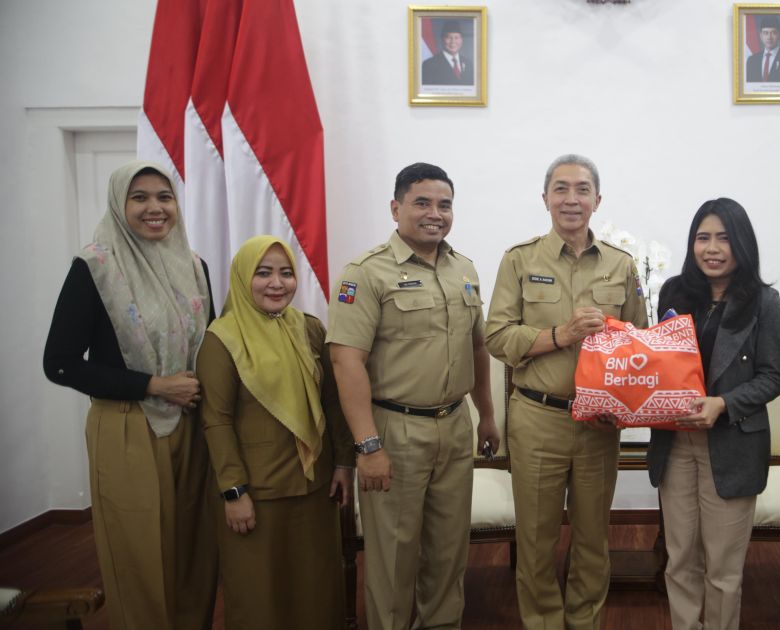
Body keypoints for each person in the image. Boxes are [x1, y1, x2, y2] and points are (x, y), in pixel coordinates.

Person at [43, 160, 218, 630]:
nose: (154, 207)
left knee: (193, 546)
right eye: (139, 197)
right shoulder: (95, 267)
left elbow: (214, 347)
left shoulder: (195, 267)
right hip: (127, 426)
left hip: (191, 425)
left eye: (165, 197)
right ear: (119, 204)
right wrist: (152, 385)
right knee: (139, 552)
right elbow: (58, 363)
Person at [327, 162, 498, 630]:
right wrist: (367, 446)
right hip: (394, 431)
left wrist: (486, 414)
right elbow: (346, 361)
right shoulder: (365, 273)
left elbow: (477, 347)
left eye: (444, 204)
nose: (434, 213)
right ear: (395, 207)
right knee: (395, 557)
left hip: (454, 424)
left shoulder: (463, 268)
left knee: (448, 552)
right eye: (421, 202)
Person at [485, 154, 648, 629]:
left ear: (598, 200)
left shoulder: (622, 265)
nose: (571, 199)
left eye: (581, 190)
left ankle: (585, 623)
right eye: (561, 189)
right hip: (539, 419)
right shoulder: (519, 260)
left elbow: (636, 343)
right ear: (545, 199)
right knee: (535, 542)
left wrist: (621, 405)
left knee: (594, 540)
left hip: (599, 424)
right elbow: (497, 337)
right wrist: (561, 334)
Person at [196, 236, 354, 630]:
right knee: (259, 598)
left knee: (318, 593)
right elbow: (215, 420)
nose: (277, 283)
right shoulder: (221, 340)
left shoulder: (310, 330)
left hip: (315, 489)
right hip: (256, 495)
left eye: (286, 273)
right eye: (263, 273)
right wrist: (233, 492)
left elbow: (333, 404)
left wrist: (343, 463)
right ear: (242, 278)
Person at [648, 198, 780, 630]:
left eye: (724, 238)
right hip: (676, 443)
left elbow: (771, 378)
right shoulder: (674, 292)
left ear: (741, 244)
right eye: (702, 237)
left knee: (723, 571)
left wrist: (723, 404)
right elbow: (659, 361)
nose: (712, 248)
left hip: (731, 442)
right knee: (679, 559)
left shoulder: (764, 301)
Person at [745, 15, 780, 83]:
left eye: (773, 33)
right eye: (765, 33)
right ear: (761, 36)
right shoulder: (751, 61)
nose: (769, 37)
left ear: (779, 35)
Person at [421, 19, 473, 86]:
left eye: (456, 38)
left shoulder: (468, 63)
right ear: (442, 40)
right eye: (448, 37)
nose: (453, 42)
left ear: (461, 40)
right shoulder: (429, 65)